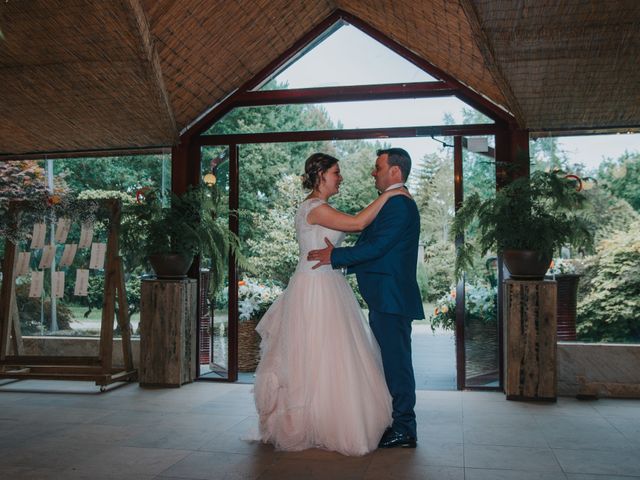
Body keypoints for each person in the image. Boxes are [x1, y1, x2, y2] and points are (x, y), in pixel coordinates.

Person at [253, 152, 409, 456]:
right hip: (315, 286)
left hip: (327, 281)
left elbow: (358, 229)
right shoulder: (315, 208)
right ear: (321, 174)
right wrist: (393, 194)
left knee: (330, 354)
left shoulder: (320, 208)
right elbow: (359, 222)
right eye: (336, 172)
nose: (341, 177)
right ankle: (315, 422)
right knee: (316, 352)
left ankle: (325, 415)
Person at [307, 148, 424, 449]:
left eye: (378, 167)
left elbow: (378, 247)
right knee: (390, 360)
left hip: (391, 297)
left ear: (395, 172)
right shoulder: (394, 202)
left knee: (397, 363)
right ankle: (398, 422)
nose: (374, 172)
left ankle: (404, 428)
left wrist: (336, 256)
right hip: (386, 296)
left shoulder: (399, 204)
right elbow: (372, 240)